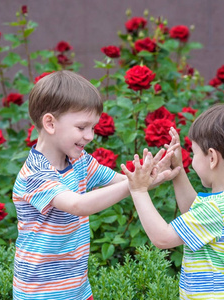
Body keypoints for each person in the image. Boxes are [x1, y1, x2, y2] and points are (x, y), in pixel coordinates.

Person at [12, 70, 175, 300]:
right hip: (41, 293)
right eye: (81, 127)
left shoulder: (79, 161)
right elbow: (78, 205)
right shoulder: (35, 175)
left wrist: (153, 174)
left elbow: (124, 182)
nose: (90, 136)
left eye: (93, 127)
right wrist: (136, 185)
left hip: (78, 289)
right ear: (50, 123)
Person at [121, 104, 224, 300]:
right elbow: (193, 213)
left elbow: (163, 238)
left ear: (212, 158)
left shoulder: (215, 209)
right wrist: (178, 170)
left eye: (195, 152)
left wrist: (138, 190)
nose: (193, 158)